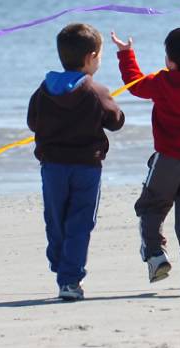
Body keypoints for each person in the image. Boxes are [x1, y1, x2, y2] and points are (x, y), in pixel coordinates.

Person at [111, 18, 180, 296]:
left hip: (168, 160)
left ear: (170, 62)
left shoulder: (162, 82)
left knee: (151, 206)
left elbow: (135, 84)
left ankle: (155, 255)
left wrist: (126, 54)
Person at [27, 23, 125, 301]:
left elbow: (32, 121)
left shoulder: (44, 89)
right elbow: (115, 121)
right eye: (100, 56)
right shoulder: (95, 90)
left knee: (56, 217)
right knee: (79, 221)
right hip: (85, 168)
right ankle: (69, 278)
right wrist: (112, 107)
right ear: (91, 57)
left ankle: (63, 264)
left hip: (53, 167)